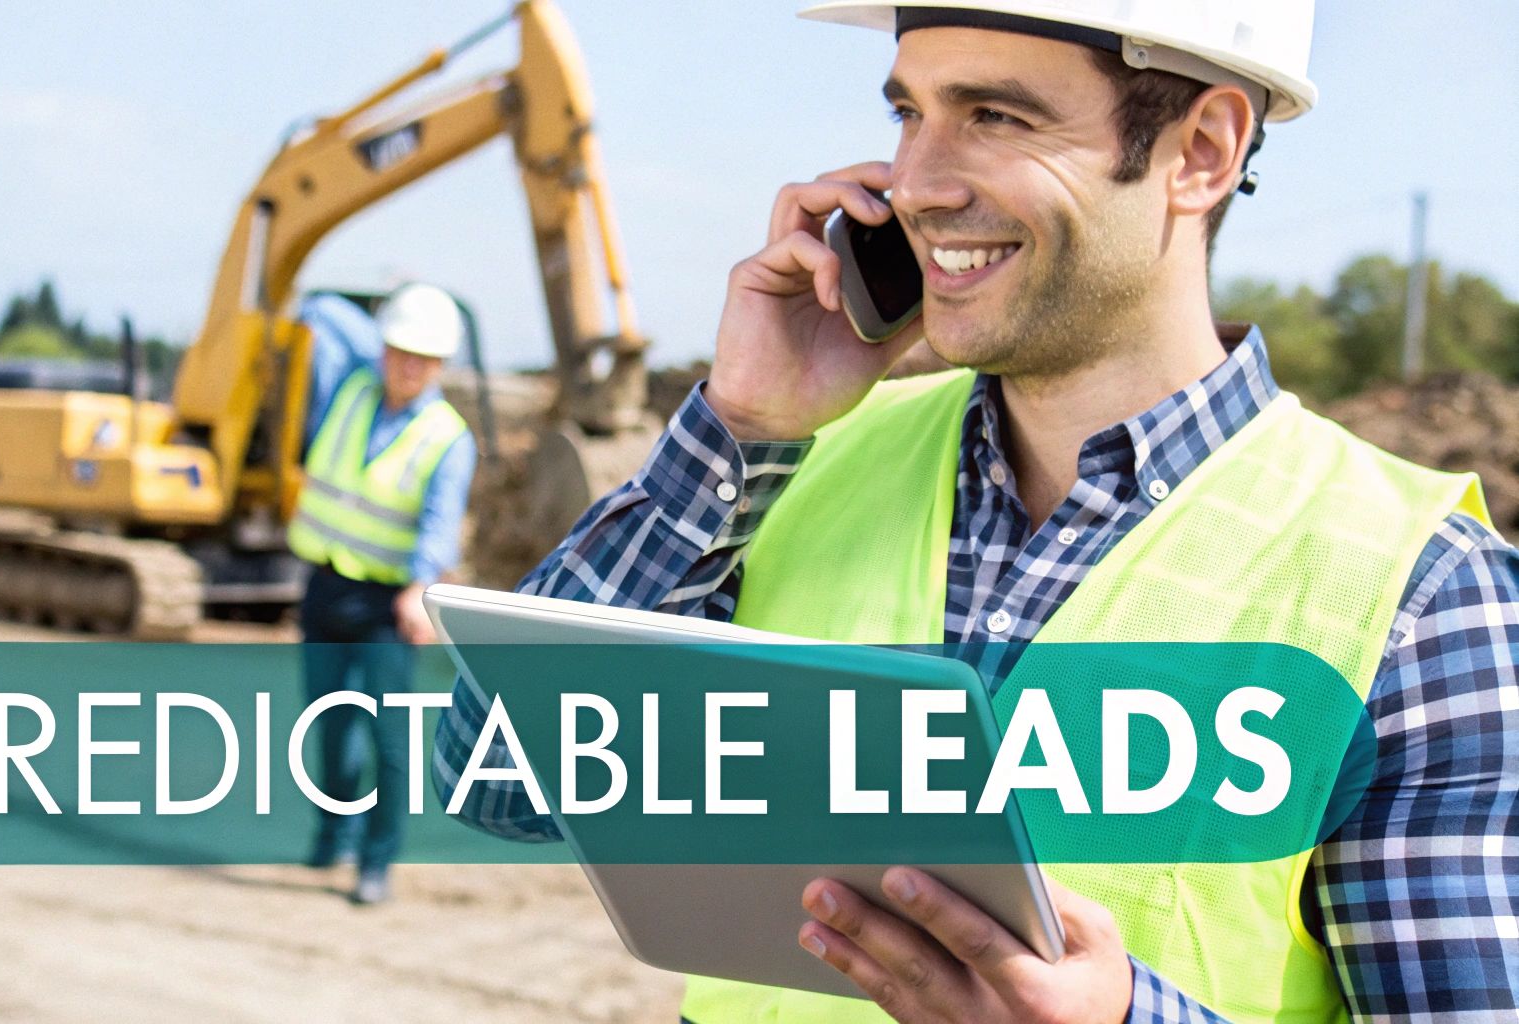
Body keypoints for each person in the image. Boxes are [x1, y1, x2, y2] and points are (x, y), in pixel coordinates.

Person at [435, 2, 1519, 1021]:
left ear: (1199, 152)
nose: (912, 184)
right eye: (907, 112)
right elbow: (492, 779)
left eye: (994, 115)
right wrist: (739, 423)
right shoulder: (781, 468)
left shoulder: (1412, 591)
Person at [290, 283, 477, 905]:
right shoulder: (349, 386)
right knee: (329, 722)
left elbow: (440, 523)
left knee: (387, 738)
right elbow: (319, 310)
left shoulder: (447, 438)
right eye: (398, 350)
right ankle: (331, 834)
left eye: (422, 358)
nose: (407, 366)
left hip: (389, 603)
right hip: (324, 586)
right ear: (383, 347)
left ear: (440, 365)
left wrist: (421, 586)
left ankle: (377, 863)